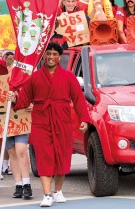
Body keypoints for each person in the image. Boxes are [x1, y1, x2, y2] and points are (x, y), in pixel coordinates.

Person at [6, 42, 91, 207]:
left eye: (54, 54)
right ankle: (46, 194)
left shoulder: (68, 77)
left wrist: (84, 119)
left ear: (59, 57)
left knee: (62, 156)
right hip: (41, 121)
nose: (51, 57)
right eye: (48, 54)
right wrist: (15, 98)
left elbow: (79, 100)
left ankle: (57, 191)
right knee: (44, 157)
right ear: (44, 56)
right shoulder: (35, 77)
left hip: (62, 121)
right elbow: (24, 100)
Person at [4, 55, 33, 199]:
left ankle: (27, 183)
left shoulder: (25, 81)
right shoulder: (1, 82)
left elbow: (33, 96)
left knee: (21, 149)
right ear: (8, 68)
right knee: (12, 152)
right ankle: (18, 184)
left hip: (21, 121)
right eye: (12, 69)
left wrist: (32, 104)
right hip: (6, 122)